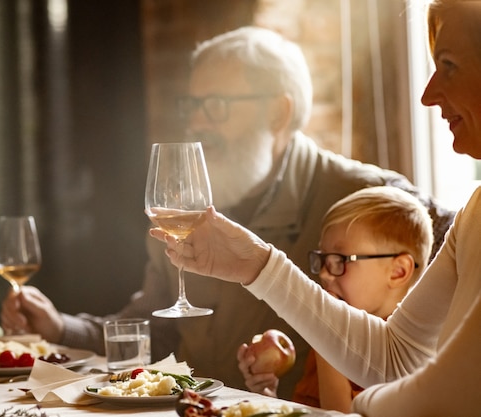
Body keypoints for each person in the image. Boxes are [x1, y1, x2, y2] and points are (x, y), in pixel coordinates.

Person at [1, 26, 454, 398]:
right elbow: (156, 328)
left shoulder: (362, 195)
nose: (197, 123)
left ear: (278, 115)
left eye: (215, 106)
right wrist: (61, 326)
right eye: (194, 105)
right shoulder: (193, 204)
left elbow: (456, 247)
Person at [149, 2, 481, 414]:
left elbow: (443, 397)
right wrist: (257, 264)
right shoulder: (476, 208)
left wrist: (338, 408)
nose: (428, 94)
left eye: (448, 65)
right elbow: (395, 357)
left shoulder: (373, 190)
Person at [237, 186, 434, 413]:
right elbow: (311, 410)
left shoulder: (405, 355)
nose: (324, 273)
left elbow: (342, 413)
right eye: (323, 258)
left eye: (340, 260)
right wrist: (268, 396)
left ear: (398, 271)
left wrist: (324, 333)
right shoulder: (335, 322)